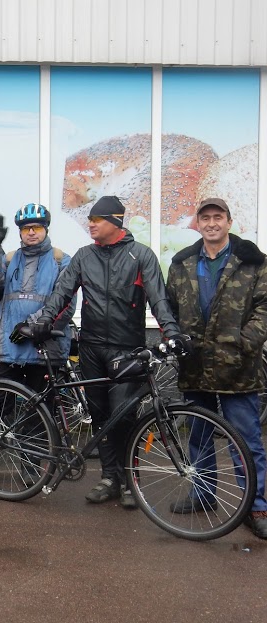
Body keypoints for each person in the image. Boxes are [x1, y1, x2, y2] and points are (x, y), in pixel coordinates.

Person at [31, 195, 188, 508]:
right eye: (89, 219)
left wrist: (171, 332)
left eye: (96, 220)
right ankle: (109, 478)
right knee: (100, 415)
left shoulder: (141, 255)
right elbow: (62, 292)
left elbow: (158, 299)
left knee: (124, 417)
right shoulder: (84, 255)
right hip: (91, 347)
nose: (90, 224)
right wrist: (45, 319)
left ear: (115, 222)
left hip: (127, 349)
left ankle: (130, 482)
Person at [165, 198, 267, 539]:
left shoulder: (253, 261)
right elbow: (170, 308)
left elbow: (265, 307)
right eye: (205, 218)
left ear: (229, 221)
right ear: (198, 223)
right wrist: (175, 339)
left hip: (238, 368)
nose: (211, 223)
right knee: (199, 436)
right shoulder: (181, 263)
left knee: (247, 441)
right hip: (195, 365)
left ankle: (257, 506)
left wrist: (245, 341)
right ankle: (203, 494)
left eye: (218, 217)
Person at [0, 204, 74, 487]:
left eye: (36, 228)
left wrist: (32, 326)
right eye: (26, 228)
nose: (31, 233)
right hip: (5, 347)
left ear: (46, 229)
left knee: (37, 415)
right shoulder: (9, 258)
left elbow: (66, 304)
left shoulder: (61, 260)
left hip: (42, 350)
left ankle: (30, 468)